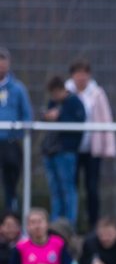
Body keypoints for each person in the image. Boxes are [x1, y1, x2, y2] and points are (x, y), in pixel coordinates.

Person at [67, 57, 116, 229]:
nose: (81, 77)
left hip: (92, 150)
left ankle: (93, 224)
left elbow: (106, 119)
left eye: (84, 73)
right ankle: (70, 225)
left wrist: (109, 148)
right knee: (71, 188)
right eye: (77, 73)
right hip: (70, 149)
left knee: (92, 188)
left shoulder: (97, 93)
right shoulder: (66, 93)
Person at [40, 76, 85, 227]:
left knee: (68, 189)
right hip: (50, 151)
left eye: (55, 93)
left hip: (66, 152)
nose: (54, 97)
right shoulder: (53, 102)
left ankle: (69, 225)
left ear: (62, 89)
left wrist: (60, 116)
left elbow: (79, 124)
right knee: (55, 190)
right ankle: (55, 224)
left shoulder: (74, 102)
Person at [0, 47, 33, 212]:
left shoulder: (18, 89)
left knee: (10, 180)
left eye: (3, 61)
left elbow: (27, 116)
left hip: (10, 142)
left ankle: (10, 214)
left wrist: (16, 134)